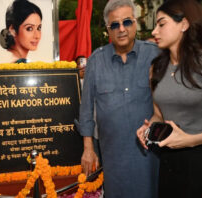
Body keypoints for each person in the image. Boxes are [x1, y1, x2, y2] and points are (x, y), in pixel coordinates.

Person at [78, 0, 160, 197]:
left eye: (127, 22)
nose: (121, 29)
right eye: (115, 25)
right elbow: (86, 108)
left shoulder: (154, 55)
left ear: (135, 23)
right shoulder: (96, 61)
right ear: (108, 29)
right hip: (113, 155)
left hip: (149, 154)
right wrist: (88, 149)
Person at [136, 0, 202, 197]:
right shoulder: (156, 68)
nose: (155, 32)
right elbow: (158, 114)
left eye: (161, 24)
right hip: (169, 164)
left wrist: (190, 140)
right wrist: (149, 128)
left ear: (184, 24)